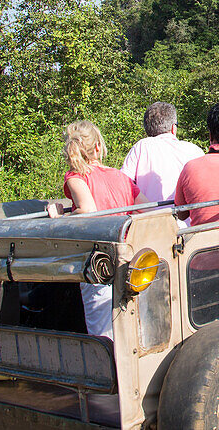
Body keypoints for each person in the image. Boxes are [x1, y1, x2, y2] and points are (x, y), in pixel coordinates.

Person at [59, 120, 143, 339]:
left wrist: (61, 217)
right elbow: (146, 208)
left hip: (98, 264)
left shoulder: (76, 177)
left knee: (103, 335)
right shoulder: (121, 177)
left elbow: (87, 210)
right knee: (132, 328)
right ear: (97, 147)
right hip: (129, 257)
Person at [120, 102, 203, 204]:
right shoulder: (194, 150)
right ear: (173, 128)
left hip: (150, 216)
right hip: (186, 218)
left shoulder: (141, 146)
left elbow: (123, 183)